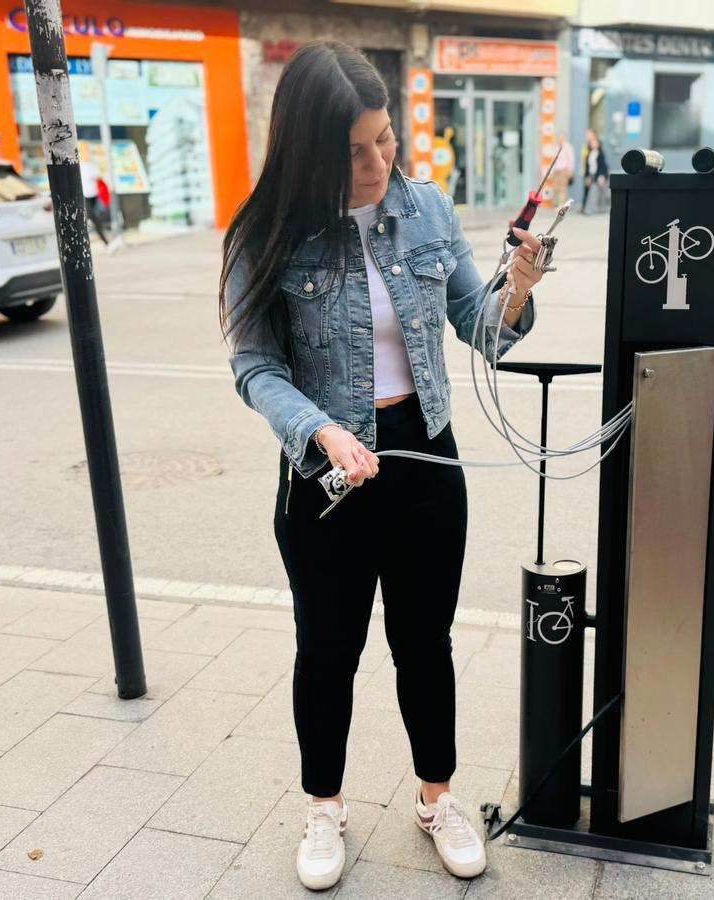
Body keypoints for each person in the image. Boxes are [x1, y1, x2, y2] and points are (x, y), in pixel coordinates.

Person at [218, 41, 546, 892]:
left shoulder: (428, 211)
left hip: (425, 464)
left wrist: (519, 284)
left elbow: (483, 328)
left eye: (385, 140)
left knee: (424, 644)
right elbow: (255, 368)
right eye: (353, 150)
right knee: (326, 651)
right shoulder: (264, 234)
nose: (375, 163)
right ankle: (323, 805)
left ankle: (438, 797)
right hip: (326, 479)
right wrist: (322, 432)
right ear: (307, 148)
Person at [80, 157, 112, 249]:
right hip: (84, 196)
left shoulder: (92, 164)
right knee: (92, 218)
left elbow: (99, 176)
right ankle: (104, 242)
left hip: (95, 195)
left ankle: (106, 243)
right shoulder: (79, 165)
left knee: (96, 219)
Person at [581, 128, 609, 214]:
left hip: (598, 175)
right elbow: (587, 166)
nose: (593, 144)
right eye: (592, 143)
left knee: (597, 192)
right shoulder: (589, 153)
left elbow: (603, 166)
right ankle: (586, 208)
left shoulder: (600, 154)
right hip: (591, 174)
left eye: (595, 143)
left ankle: (594, 209)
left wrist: (602, 176)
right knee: (590, 192)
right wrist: (587, 177)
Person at [551, 133, 576, 207]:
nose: (560, 139)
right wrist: (552, 171)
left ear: (564, 138)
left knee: (563, 189)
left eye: (562, 137)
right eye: (559, 137)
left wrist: (570, 170)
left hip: (563, 170)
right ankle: (558, 204)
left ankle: (561, 205)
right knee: (556, 188)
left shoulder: (568, 147)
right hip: (556, 171)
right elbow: (553, 160)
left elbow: (571, 159)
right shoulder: (556, 147)